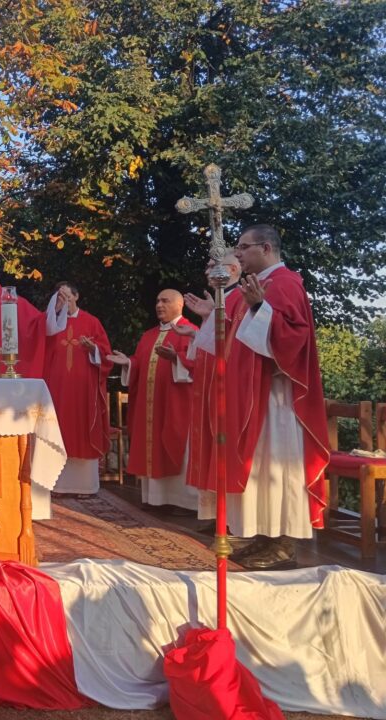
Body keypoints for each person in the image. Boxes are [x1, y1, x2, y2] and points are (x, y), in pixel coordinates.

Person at [210, 225, 329, 569]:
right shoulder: (261, 285)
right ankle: (265, 535)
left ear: (265, 247)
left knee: (276, 465)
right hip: (255, 392)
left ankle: (284, 543)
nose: (239, 253)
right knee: (260, 466)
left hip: (276, 397)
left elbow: (295, 338)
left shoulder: (286, 282)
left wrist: (261, 306)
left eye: (244, 247)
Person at [107, 290, 197, 513]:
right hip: (151, 407)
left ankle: (183, 503)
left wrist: (177, 358)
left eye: (165, 301)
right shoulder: (149, 335)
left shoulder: (191, 331)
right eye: (157, 301)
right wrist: (128, 362)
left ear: (180, 304)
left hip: (177, 405)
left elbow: (199, 364)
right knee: (151, 446)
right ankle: (155, 500)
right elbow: (140, 362)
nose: (159, 305)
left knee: (175, 446)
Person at [172, 254, 244, 521]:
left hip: (226, 386)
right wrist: (203, 323)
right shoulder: (223, 301)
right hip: (209, 384)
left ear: (234, 269)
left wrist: (212, 315)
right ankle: (213, 515)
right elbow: (209, 344)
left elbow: (232, 346)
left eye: (214, 265)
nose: (207, 270)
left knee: (222, 448)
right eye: (208, 265)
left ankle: (225, 518)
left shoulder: (236, 299)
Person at [43, 281, 113, 495]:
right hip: (56, 389)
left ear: (77, 296)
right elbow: (40, 349)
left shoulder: (91, 322)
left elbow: (106, 353)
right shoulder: (50, 324)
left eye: (68, 296)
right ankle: (56, 484)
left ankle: (85, 486)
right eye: (60, 297)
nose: (65, 300)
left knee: (82, 429)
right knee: (57, 430)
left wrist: (94, 349)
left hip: (84, 389)